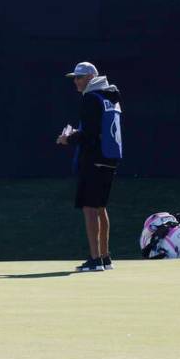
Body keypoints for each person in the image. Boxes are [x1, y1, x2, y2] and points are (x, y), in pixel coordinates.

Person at [56, 62, 122, 272]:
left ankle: (95, 260)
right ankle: (105, 257)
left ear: (92, 77)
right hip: (109, 160)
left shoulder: (90, 98)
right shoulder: (110, 97)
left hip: (93, 160)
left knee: (89, 208)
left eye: (80, 77)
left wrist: (68, 138)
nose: (76, 81)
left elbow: (89, 136)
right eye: (75, 77)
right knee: (101, 207)